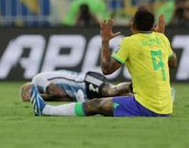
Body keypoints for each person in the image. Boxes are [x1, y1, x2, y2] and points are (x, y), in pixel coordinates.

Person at [30, 9, 178, 117]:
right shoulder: (162, 39)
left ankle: (46, 110)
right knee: (113, 100)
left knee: (96, 104)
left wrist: (105, 41)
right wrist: (163, 39)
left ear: (132, 26)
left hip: (146, 107)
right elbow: (173, 64)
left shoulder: (130, 42)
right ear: (153, 26)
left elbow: (107, 70)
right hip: (166, 108)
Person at [19, 70, 132, 102]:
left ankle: (137, 85)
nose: (31, 98)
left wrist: (40, 97)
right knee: (121, 97)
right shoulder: (46, 92)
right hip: (86, 93)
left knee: (111, 91)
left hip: (86, 80)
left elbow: (59, 93)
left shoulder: (37, 79)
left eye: (29, 95)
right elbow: (66, 97)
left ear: (29, 87)